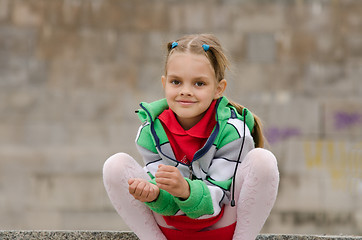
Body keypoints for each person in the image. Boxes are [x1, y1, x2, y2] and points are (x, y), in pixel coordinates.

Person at [103, 33, 279, 240]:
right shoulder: (150, 130)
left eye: (199, 84)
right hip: (170, 226)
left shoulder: (232, 131)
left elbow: (217, 199)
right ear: (164, 83)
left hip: (221, 224)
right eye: (176, 82)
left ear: (218, 89)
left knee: (263, 160)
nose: (185, 91)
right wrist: (154, 194)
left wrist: (186, 190)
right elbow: (163, 197)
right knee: (115, 165)